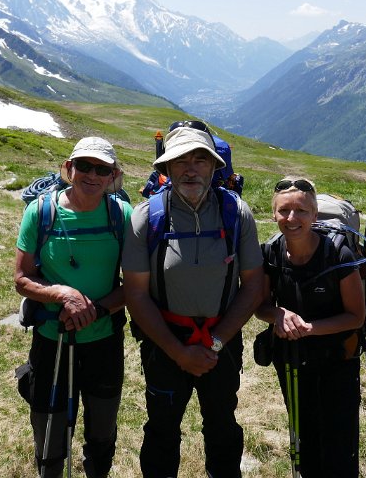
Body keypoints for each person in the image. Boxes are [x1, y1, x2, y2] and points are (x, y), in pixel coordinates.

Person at [122, 123, 264, 478]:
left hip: (221, 343)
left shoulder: (236, 214)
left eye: (200, 160)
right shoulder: (147, 217)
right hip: (164, 343)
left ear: (214, 167)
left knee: (222, 426)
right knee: (162, 429)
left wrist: (214, 343)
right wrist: (178, 352)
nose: (190, 169)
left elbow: (254, 286)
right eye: (180, 160)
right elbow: (135, 294)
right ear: (167, 168)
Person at [14, 137, 132, 478]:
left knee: (102, 431)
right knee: (49, 431)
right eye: (84, 166)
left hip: (103, 339)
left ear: (113, 175)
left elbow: (136, 284)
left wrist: (94, 310)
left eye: (102, 169)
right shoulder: (41, 212)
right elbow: (22, 279)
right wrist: (62, 294)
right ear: (69, 168)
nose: (92, 175)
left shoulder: (122, 215)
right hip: (53, 338)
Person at [256, 177, 366, 477]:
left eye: (301, 211)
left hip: (338, 358)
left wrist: (309, 328)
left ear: (314, 215)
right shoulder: (271, 253)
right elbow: (261, 306)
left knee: (339, 439)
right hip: (291, 358)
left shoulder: (339, 255)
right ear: (273, 214)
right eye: (284, 210)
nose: (292, 218)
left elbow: (356, 316)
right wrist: (277, 314)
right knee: (303, 431)